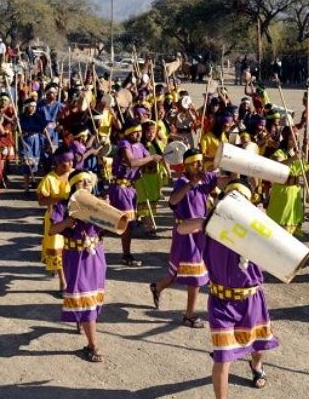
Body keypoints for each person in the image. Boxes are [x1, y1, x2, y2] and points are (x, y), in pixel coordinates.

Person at [177, 181, 278, 398]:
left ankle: (256, 367)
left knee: (258, 346)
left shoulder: (257, 226)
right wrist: (207, 221)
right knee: (223, 357)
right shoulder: (211, 226)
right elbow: (182, 228)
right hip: (222, 302)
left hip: (251, 299)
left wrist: (263, 220)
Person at [149, 149, 216, 328]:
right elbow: (172, 202)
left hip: (200, 233)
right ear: (186, 166)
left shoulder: (206, 178)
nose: (199, 166)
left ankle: (157, 286)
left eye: (200, 162)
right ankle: (189, 315)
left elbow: (222, 178)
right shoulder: (182, 181)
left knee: (177, 273)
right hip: (185, 234)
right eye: (195, 163)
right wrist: (191, 185)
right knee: (194, 277)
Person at [49, 170, 107, 362]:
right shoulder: (62, 205)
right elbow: (52, 229)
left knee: (92, 297)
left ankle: (82, 321)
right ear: (73, 185)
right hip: (74, 256)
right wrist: (67, 222)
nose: (85, 185)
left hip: (95, 255)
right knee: (85, 297)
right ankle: (93, 346)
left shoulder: (95, 203)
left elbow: (109, 227)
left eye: (88, 182)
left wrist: (107, 210)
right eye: (81, 182)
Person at [108, 120, 162, 266]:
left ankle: (125, 254)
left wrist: (159, 159)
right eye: (135, 131)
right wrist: (151, 157)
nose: (138, 134)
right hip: (121, 187)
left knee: (126, 223)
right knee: (125, 223)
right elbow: (132, 162)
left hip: (131, 189)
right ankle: (126, 256)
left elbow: (147, 166)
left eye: (139, 131)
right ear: (128, 133)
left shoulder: (140, 146)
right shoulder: (124, 144)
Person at [37, 147, 74, 294]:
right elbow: (41, 201)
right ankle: (63, 282)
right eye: (66, 161)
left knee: (70, 248)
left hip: (72, 217)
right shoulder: (49, 179)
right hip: (55, 218)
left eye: (72, 160)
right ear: (58, 163)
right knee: (57, 249)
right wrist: (59, 198)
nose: (70, 164)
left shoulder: (74, 175)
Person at [135, 120, 167, 235]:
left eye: (154, 131)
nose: (152, 134)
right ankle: (149, 227)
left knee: (151, 203)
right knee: (144, 203)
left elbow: (164, 159)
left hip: (154, 179)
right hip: (142, 179)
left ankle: (140, 220)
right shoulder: (138, 146)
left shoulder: (158, 144)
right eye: (149, 131)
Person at [19, 98, 44, 192]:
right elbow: (16, 128)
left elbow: (42, 128)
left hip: (36, 141)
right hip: (25, 141)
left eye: (35, 106)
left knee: (34, 164)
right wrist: (16, 123)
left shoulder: (37, 117)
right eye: (31, 106)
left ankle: (32, 180)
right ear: (26, 107)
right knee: (27, 163)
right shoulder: (21, 117)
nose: (33, 108)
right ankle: (26, 186)